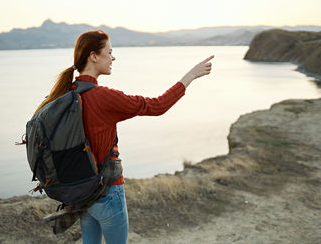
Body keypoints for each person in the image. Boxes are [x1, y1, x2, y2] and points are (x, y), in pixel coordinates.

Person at [35, 30, 213, 244]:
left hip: (81, 194)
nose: (113, 57)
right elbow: (157, 106)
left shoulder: (66, 96)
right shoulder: (104, 97)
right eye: (109, 52)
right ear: (93, 56)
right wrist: (190, 75)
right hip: (107, 192)